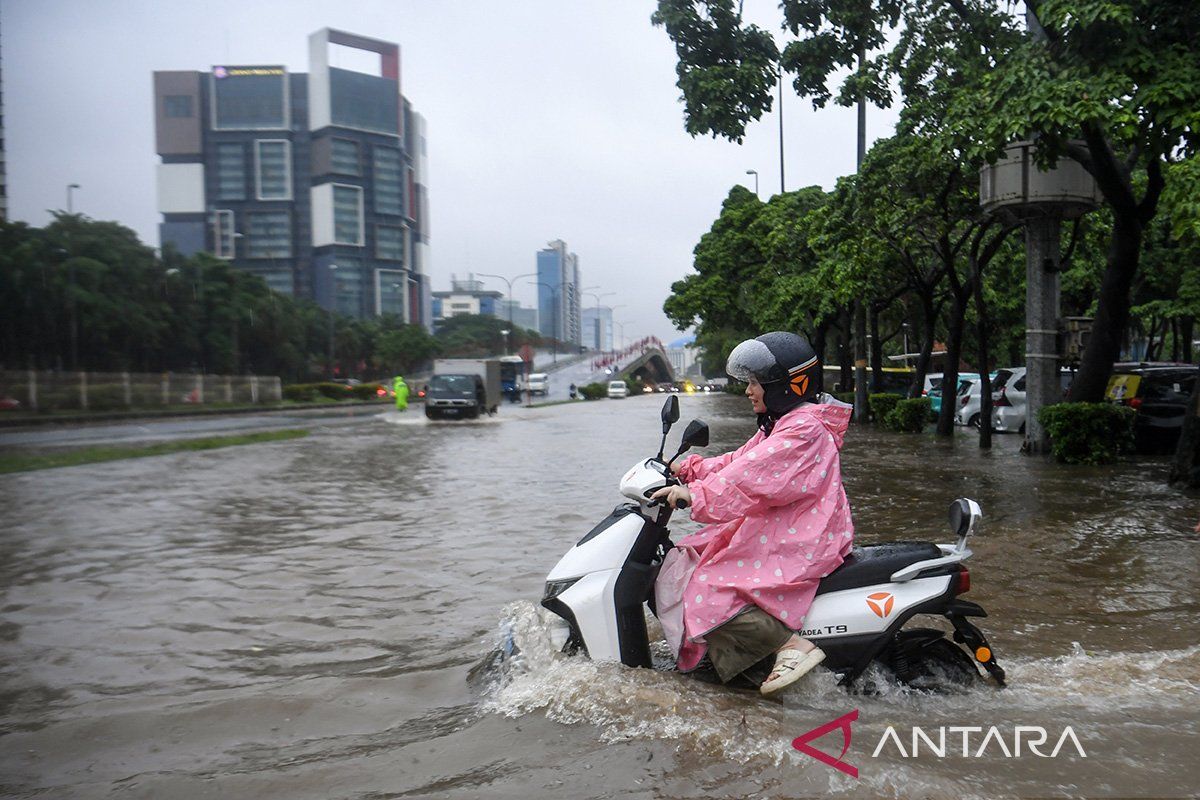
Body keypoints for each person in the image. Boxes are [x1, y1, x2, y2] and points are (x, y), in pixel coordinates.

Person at [651, 332, 854, 696]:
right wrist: (690, 471)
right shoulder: (784, 422)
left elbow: (748, 481)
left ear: (786, 386)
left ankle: (788, 645)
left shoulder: (805, 429)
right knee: (688, 558)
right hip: (781, 526)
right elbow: (739, 462)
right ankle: (733, 661)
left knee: (708, 588)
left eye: (757, 383)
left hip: (802, 536)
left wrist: (692, 496)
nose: (749, 390)